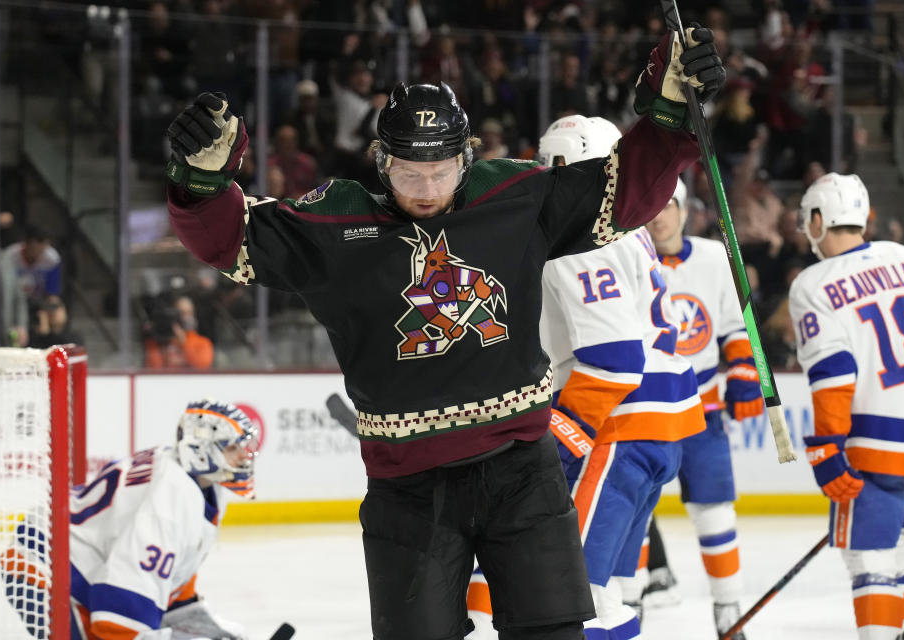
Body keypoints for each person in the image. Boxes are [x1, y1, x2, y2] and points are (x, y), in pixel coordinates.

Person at [165, 25, 725, 640]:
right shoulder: (335, 223)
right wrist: (200, 187)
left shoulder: (514, 196)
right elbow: (232, 241)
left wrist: (670, 116)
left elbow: (625, 194)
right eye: (409, 174)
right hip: (408, 489)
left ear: (467, 157)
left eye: (443, 172)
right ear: (381, 163)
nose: (428, 191)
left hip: (522, 472)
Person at [465, 114, 706, 640]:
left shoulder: (578, 235)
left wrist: (556, 439)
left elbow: (614, 359)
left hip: (614, 433)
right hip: (658, 434)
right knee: (608, 593)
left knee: (573, 602)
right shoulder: (631, 230)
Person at [788, 173, 904, 640]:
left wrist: (828, 450)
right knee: (901, 554)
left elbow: (833, 376)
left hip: (876, 448)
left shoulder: (813, 284)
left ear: (819, 220)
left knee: (870, 562)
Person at [2, 399, 259, 639]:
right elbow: (120, 621)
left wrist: (199, 623)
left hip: (58, 546)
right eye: (233, 448)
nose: (243, 457)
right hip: (44, 566)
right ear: (201, 450)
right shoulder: (170, 502)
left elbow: (172, 572)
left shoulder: (196, 482)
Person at [643, 177, 767, 639]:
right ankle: (629, 601)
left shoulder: (715, 258)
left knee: (715, 513)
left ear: (684, 209)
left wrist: (744, 376)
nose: (658, 216)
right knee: (636, 515)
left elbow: (737, 327)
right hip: (646, 412)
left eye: (667, 206)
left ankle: (727, 611)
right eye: (651, 206)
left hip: (703, 413)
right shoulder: (628, 258)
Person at [144, 294, 215, 370]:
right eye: (181, 313)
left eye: (189, 313)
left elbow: (202, 366)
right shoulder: (156, 342)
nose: (186, 317)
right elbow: (152, 370)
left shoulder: (202, 342)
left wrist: (184, 343)